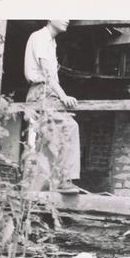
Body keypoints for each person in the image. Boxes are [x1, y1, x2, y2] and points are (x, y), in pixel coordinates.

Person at [23, 20, 81, 193]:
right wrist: (63, 96)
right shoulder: (40, 37)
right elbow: (47, 73)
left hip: (46, 93)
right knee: (69, 127)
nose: (67, 19)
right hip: (42, 92)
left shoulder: (51, 42)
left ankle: (35, 195)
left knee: (48, 145)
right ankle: (64, 180)